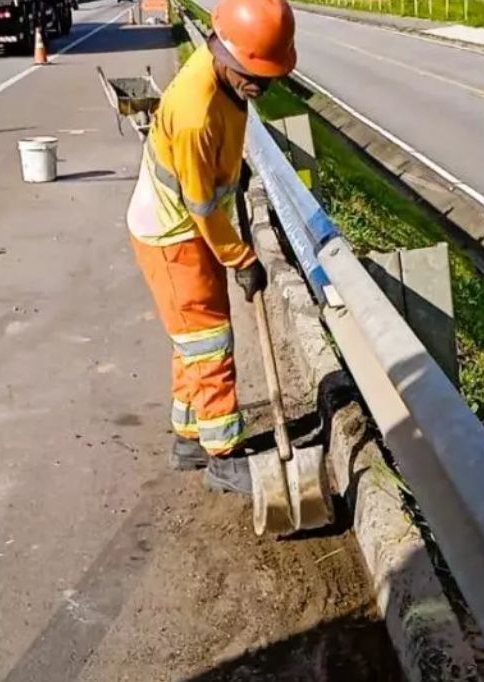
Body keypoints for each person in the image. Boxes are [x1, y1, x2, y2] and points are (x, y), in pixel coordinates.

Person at [125, 0, 297, 494]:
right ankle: (223, 456)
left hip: (185, 226)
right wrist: (242, 258)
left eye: (268, 77)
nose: (259, 86)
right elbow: (201, 207)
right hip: (173, 234)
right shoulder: (194, 113)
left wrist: (233, 171)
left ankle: (188, 438)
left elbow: (215, 170)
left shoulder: (224, 76)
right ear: (222, 51)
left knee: (191, 341)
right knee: (210, 342)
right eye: (251, 75)